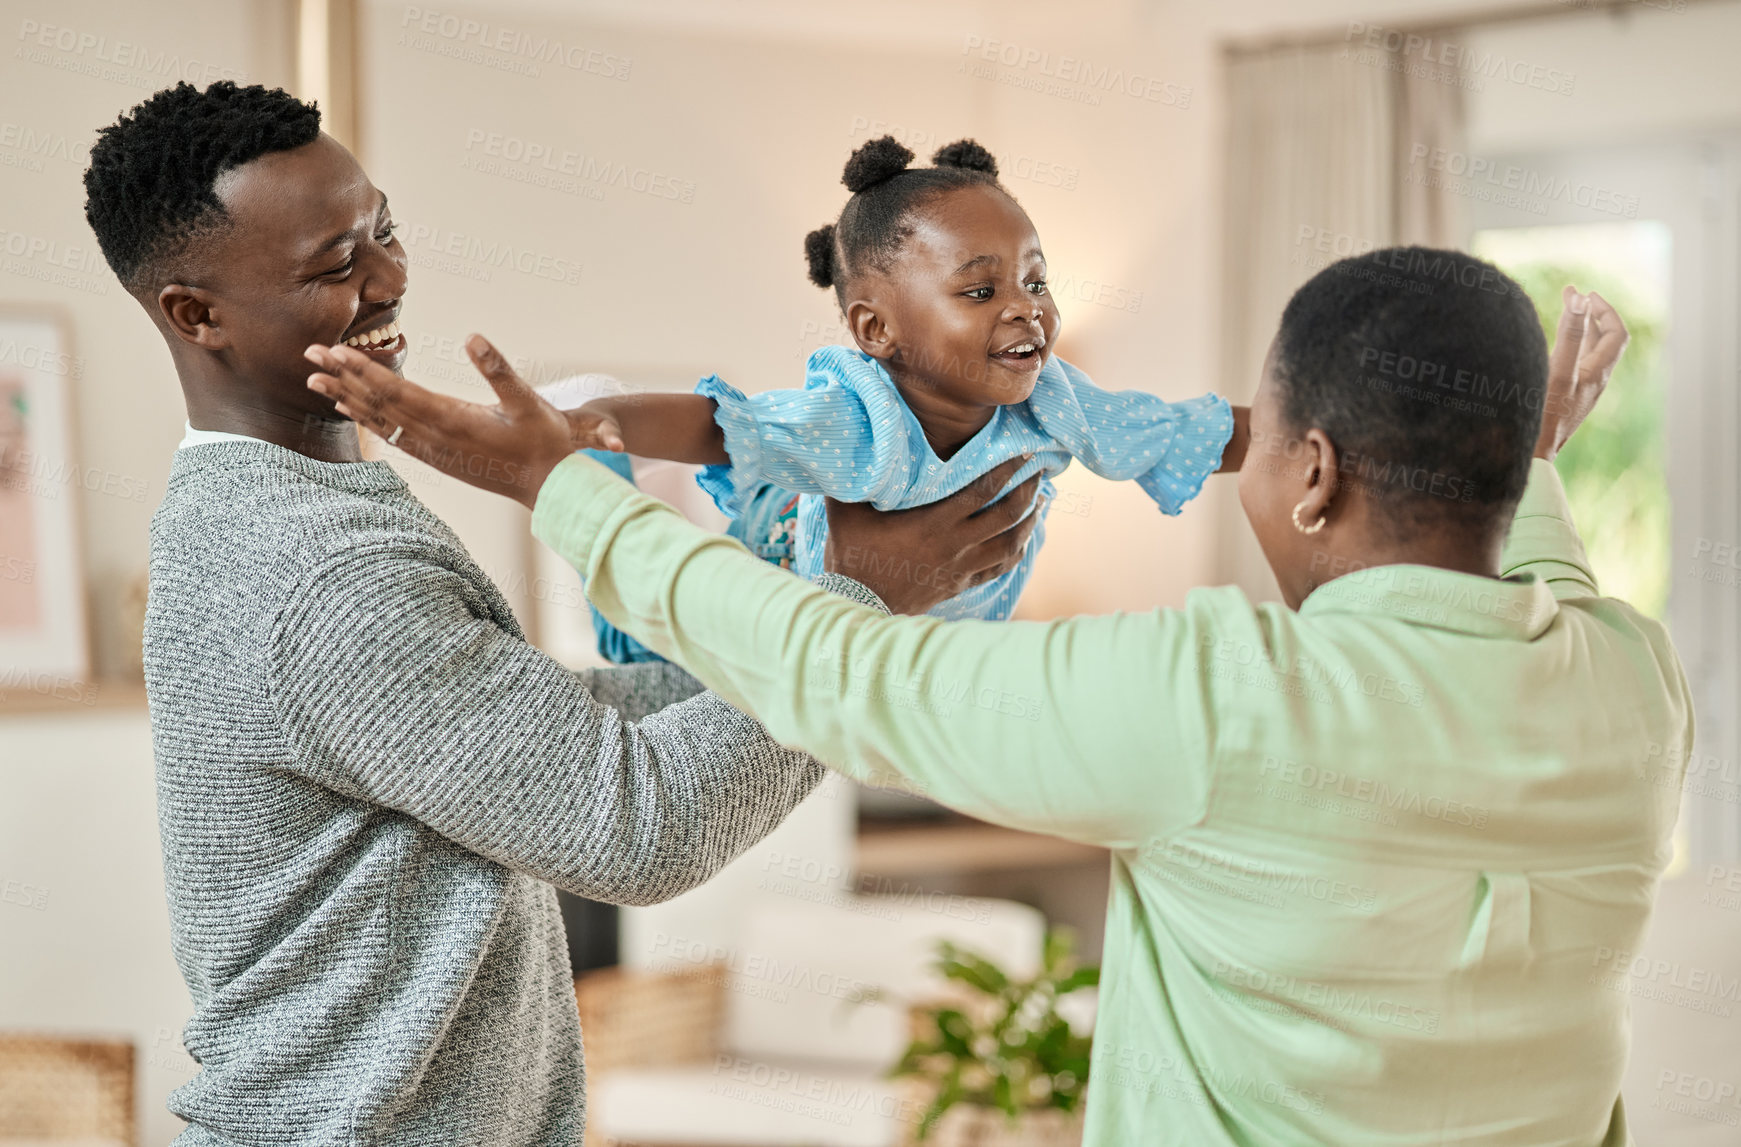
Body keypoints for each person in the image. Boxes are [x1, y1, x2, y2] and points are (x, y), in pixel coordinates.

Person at [308, 249, 1688, 1145]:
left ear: (1314, 475)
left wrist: (564, 489)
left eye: (1260, 448)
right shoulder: (1633, 681)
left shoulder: (1222, 694)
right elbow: (1538, 547)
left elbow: (841, 670)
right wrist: (1526, 451)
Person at [84, 81, 1035, 1144]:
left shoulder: (277, 509)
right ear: (196, 314)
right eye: (336, 266)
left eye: (384, 229)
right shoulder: (316, 571)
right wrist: (857, 603)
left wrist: (822, 608)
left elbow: (559, 725)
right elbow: (637, 826)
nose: (393, 279)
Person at [569, 135, 1242, 623]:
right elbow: (719, 427)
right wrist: (595, 420)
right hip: (770, 560)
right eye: (980, 290)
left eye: (1036, 279)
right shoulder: (859, 419)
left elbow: (1179, 430)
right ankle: (600, 457)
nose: (1026, 305)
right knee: (638, 633)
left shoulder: (1057, 401)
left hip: (932, 630)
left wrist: (1308, 430)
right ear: (875, 331)